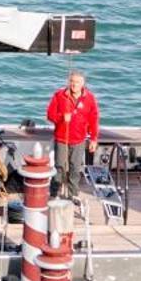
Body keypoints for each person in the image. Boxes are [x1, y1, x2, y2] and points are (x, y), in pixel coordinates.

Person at [45, 69, 100, 201]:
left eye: (77, 82)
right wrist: (62, 117)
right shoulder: (59, 95)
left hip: (79, 139)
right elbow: (50, 115)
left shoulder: (89, 98)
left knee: (75, 168)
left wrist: (93, 139)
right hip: (62, 139)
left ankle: (73, 194)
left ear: (83, 83)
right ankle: (54, 193)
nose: (74, 85)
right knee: (60, 167)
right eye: (72, 81)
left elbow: (94, 119)